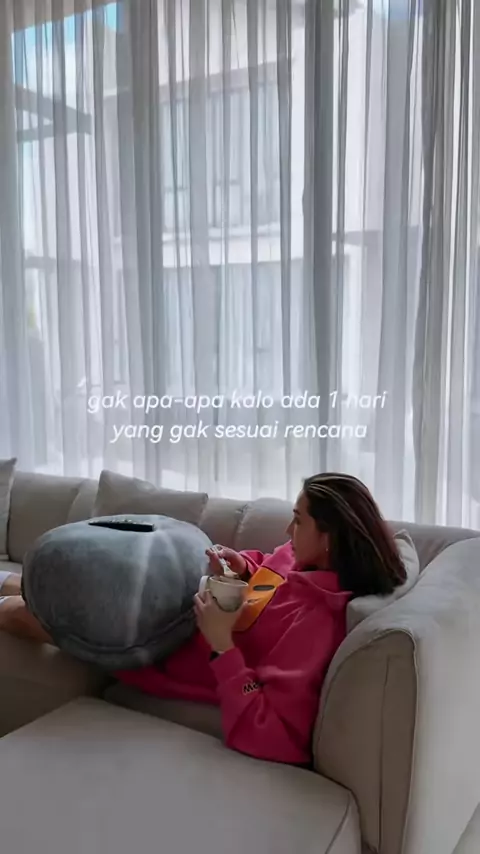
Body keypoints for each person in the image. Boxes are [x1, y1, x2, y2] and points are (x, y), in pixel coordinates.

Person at [0, 472, 406, 765]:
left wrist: (222, 644)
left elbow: (277, 735)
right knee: (41, 583)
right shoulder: (299, 558)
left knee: (25, 614)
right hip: (178, 598)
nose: (287, 529)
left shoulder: (315, 625)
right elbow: (270, 578)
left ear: (329, 538)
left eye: (298, 520)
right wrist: (242, 567)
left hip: (160, 642)